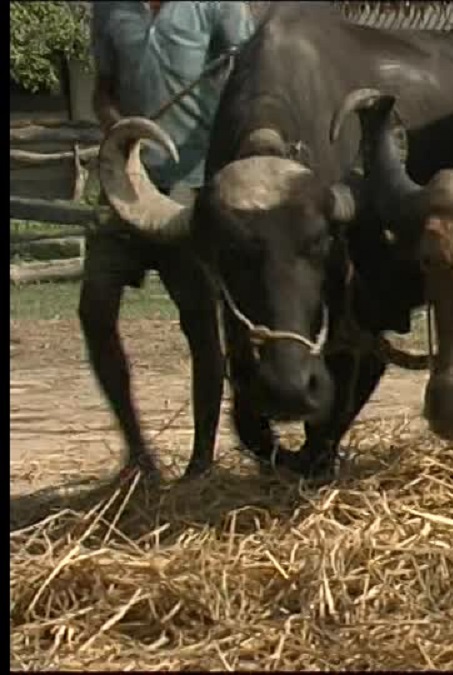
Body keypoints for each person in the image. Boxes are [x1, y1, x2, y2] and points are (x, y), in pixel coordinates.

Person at [81, 1, 255, 480]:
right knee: (94, 307)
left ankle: (201, 462)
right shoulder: (110, 9)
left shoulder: (219, 7)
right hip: (127, 183)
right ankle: (138, 452)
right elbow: (102, 91)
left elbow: (246, 79)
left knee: (200, 319)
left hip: (193, 186)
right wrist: (118, 129)